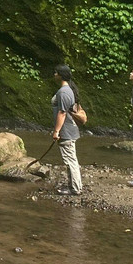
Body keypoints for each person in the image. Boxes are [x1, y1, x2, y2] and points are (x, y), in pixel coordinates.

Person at [50, 64, 82, 195]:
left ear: (60, 75)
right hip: (70, 129)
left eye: (55, 73)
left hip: (66, 131)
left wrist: (57, 131)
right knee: (71, 159)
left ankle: (75, 188)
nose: (54, 75)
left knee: (70, 160)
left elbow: (62, 113)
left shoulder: (64, 92)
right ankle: (74, 185)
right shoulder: (68, 90)